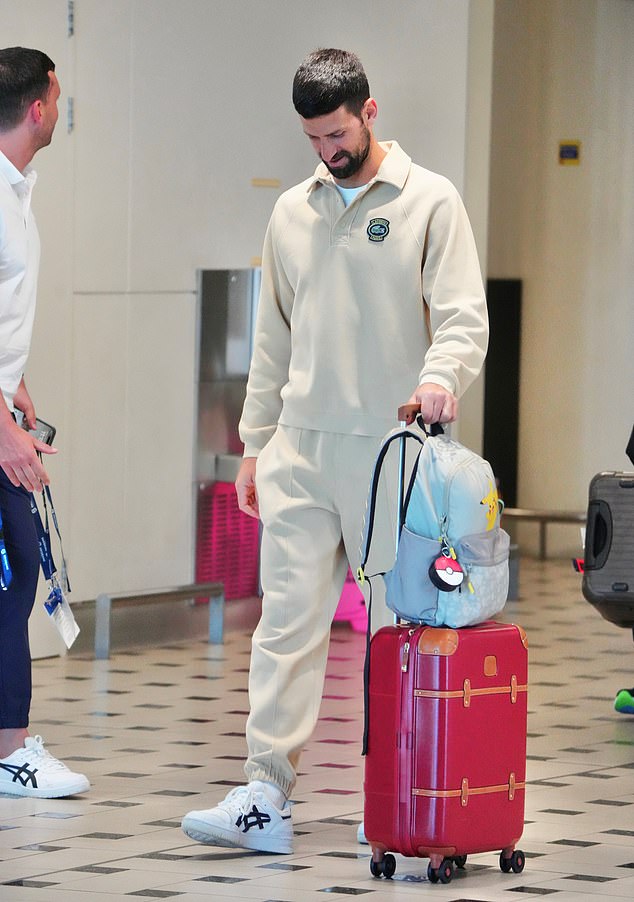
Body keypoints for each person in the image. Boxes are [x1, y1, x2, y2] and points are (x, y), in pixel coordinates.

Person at [182, 48, 488, 853]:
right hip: (300, 452)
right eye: (315, 139)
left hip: (396, 454)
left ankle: (391, 794)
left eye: (339, 132)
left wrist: (441, 379)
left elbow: (462, 317)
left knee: (396, 629)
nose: (328, 151)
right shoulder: (291, 211)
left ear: (370, 110)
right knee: (285, 624)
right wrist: (254, 447)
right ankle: (265, 794)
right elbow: (271, 337)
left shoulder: (432, 202)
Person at [0, 46, 89, 798]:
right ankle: (11, 748)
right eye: (58, 98)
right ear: (39, 106)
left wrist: (16, 382)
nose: (61, 109)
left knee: (16, 569)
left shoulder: (16, 190)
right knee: (13, 571)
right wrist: (5, 433)